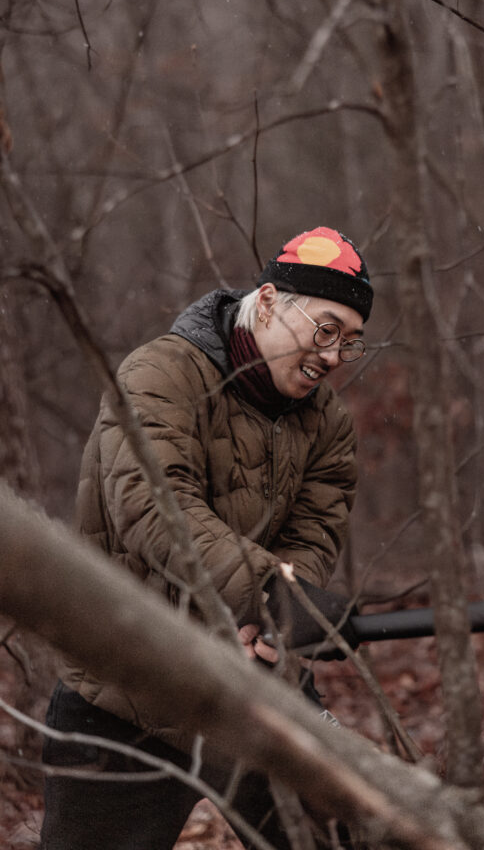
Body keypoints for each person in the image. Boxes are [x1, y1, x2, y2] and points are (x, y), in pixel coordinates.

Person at [39, 225, 373, 850]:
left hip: (251, 691)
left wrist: (282, 614)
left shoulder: (328, 423)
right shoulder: (160, 374)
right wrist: (266, 593)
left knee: (344, 834)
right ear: (270, 301)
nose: (332, 355)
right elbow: (152, 507)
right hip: (128, 693)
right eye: (325, 329)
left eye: (349, 342)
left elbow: (316, 530)